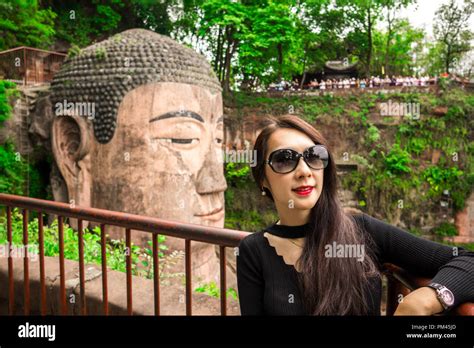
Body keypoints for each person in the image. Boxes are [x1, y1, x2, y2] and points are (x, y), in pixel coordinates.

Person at [236, 115, 474, 315]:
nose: (304, 171)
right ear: (263, 179)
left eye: (314, 156)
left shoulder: (361, 230)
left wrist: (428, 297)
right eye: (284, 159)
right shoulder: (253, 250)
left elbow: (466, 259)